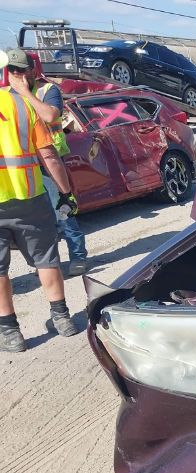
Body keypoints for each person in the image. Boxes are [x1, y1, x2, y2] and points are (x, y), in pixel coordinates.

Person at [0, 49, 80, 352]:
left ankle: (10, 333)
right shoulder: (23, 105)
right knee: (46, 258)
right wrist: (65, 193)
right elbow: (48, 154)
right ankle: (62, 318)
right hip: (30, 196)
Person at [3, 50, 88, 275]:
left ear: (32, 70)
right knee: (37, 219)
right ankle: (48, 263)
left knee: (62, 210)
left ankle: (78, 254)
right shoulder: (6, 95)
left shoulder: (47, 90)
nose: (17, 74)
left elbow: (51, 116)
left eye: (22, 70)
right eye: (12, 70)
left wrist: (25, 93)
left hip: (50, 160)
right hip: (23, 165)